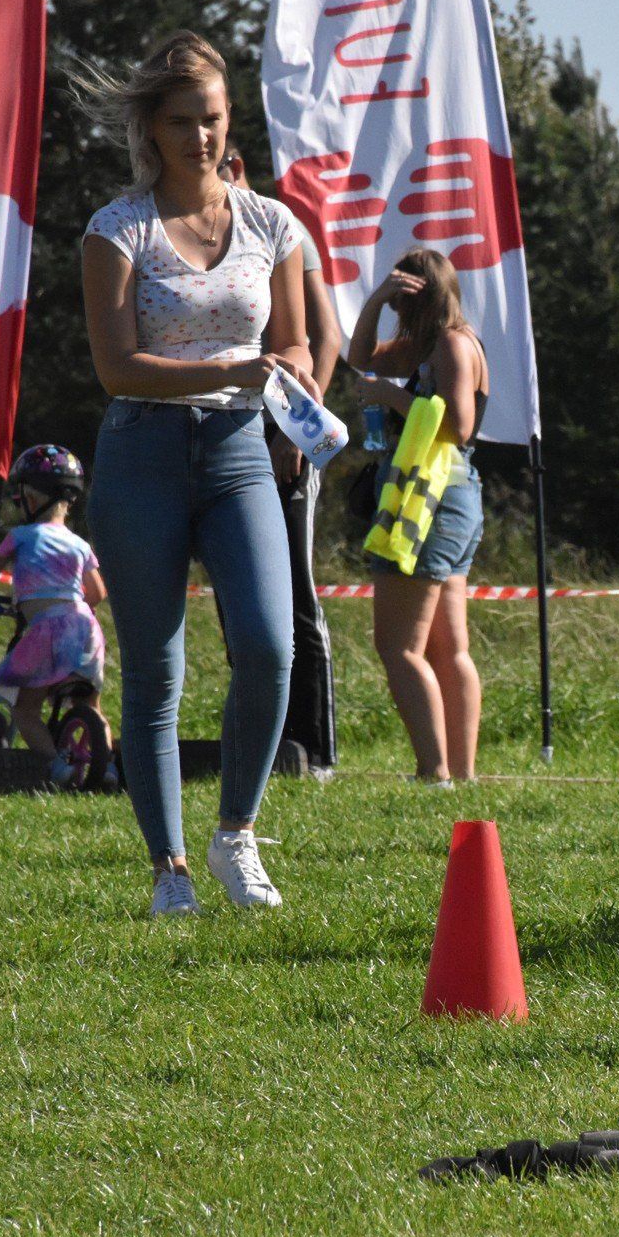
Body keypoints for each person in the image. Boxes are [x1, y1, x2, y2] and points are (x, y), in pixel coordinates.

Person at [77, 31, 313, 918]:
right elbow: (118, 367)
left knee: (268, 645)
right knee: (156, 670)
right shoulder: (117, 229)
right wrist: (237, 369)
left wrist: (293, 376)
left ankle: (236, 837)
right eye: (180, 122)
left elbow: (289, 337)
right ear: (151, 128)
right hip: (141, 452)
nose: (200, 138)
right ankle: (169, 867)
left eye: (211, 119)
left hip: (241, 452)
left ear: (228, 120)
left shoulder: (272, 222)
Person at [219, 141, 342, 778]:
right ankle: (264, 745)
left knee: (292, 590)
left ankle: (315, 751)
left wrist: (295, 431)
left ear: (235, 167)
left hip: (287, 432)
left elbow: (326, 337)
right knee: (239, 599)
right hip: (221, 433)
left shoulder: (276, 225)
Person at [346, 249, 488, 785]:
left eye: (403, 300)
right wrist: (375, 301)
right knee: (448, 648)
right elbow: (360, 355)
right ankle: (460, 773)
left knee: (397, 646)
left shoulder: (451, 344)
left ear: (424, 299)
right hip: (450, 498)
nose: (399, 312)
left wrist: (391, 398)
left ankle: (434, 772)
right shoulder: (423, 348)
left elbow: (458, 425)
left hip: (430, 503)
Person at [0, 445, 111, 788]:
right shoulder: (79, 543)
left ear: (30, 496)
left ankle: (57, 768)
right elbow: (97, 594)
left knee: (25, 708)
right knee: (90, 704)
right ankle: (108, 767)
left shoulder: (21, 536)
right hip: (86, 628)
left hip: (48, 631)